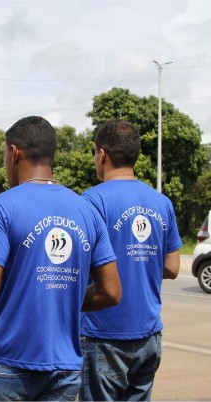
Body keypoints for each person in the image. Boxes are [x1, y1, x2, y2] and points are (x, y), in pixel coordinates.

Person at [0, 115, 122, 401]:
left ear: (14, 153)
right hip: (65, 370)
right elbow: (111, 291)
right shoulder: (87, 212)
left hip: (7, 365)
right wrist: (62, 298)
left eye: (4, 155)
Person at [79, 119, 182, 401]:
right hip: (149, 335)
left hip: (104, 335)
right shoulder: (161, 202)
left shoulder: (92, 201)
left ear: (102, 154)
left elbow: (78, 265)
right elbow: (172, 267)